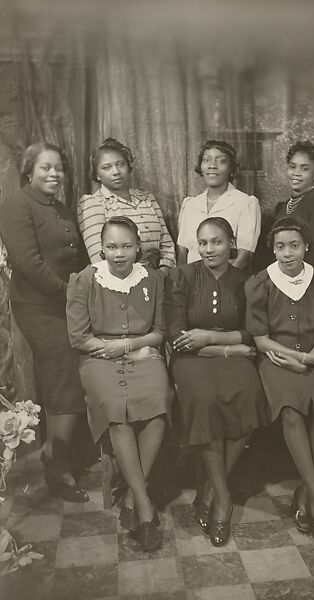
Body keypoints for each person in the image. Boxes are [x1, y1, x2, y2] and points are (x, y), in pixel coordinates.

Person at [66, 216, 171, 551]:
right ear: (101, 247)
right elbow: (78, 337)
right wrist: (113, 350)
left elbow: (158, 331)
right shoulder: (86, 279)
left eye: (127, 246)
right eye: (111, 246)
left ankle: (130, 495)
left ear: (138, 246)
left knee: (159, 402)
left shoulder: (152, 278)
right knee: (116, 410)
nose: (119, 254)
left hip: (142, 354)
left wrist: (132, 347)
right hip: (98, 359)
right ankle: (143, 506)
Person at [165, 216, 267, 547]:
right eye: (203, 243)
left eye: (217, 242)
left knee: (249, 392)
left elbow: (253, 333)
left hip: (229, 358)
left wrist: (210, 339)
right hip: (193, 363)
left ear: (231, 243)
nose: (210, 249)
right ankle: (222, 498)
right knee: (205, 399)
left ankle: (207, 489)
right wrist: (231, 347)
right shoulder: (183, 276)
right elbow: (178, 336)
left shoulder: (245, 280)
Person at [0, 142, 89, 502]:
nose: (53, 174)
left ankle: (63, 448)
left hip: (67, 302)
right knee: (65, 365)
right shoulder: (16, 206)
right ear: (29, 171)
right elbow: (28, 264)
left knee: (71, 370)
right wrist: (72, 294)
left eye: (59, 169)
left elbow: (78, 256)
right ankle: (57, 461)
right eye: (45, 168)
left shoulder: (61, 208)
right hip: (38, 305)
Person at [245, 217, 314, 542]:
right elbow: (261, 340)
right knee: (290, 411)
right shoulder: (260, 282)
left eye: (295, 246)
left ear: (306, 247)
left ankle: (304, 492)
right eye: (281, 246)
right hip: (277, 359)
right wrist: (300, 359)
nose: (288, 253)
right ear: (273, 249)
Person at [77, 137, 176, 270]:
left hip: (160, 279)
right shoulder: (93, 203)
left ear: (128, 166)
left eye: (120, 164)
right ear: (97, 175)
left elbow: (167, 245)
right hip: (121, 282)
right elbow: (99, 257)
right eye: (107, 167)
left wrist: (164, 271)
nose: (116, 172)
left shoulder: (147, 198)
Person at [177, 140, 261, 270]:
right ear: (201, 166)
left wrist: (219, 283)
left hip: (227, 284)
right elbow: (183, 252)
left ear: (231, 168)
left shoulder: (245, 203)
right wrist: (184, 281)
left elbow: (245, 256)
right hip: (192, 283)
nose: (212, 166)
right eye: (206, 160)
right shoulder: (190, 204)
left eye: (220, 161)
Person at [275, 140, 314, 270]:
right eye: (292, 166)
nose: (296, 173)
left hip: (309, 279)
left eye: (304, 169)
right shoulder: (282, 207)